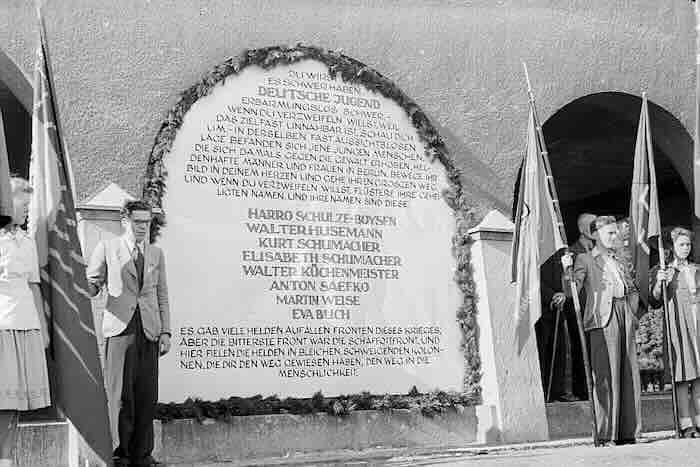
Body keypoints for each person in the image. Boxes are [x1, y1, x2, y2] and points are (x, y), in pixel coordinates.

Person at [86, 200, 171, 467]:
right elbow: (92, 283)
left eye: (147, 223)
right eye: (138, 222)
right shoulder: (108, 247)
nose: (143, 227)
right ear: (125, 221)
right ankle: (119, 454)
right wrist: (82, 284)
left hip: (149, 331)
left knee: (146, 395)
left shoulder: (156, 254)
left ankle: (142, 455)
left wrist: (166, 331)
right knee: (121, 397)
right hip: (120, 329)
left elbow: (162, 295)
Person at [562, 215, 641, 445]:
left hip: (624, 313)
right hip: (602, 319)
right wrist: (567, 271)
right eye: (610, 233)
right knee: (605, 376)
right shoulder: (585, 259)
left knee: (628, 373)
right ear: (595, 234)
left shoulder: (621, 259)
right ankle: (607, 432)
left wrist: (632, 314)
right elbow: (571, 290)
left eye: (615, 232)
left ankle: (629, 432)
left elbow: (632, 287)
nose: (614, 236)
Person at [0, 177, 51, 467]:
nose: (27, 212)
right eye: (23, 204)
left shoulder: (28, 242)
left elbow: (34, 286)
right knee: (2, 400)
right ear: (7, 202)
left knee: (17, 402)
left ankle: (6, 460)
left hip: (26, 325)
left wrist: (42, 328)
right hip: (2, 326)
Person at [650, 227, 700, 438]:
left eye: (688, 244)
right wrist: (661, 282)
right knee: (682, 375)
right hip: (678, 326)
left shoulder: (697, 269)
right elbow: (655, 299)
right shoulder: (664, 270)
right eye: (681, 244)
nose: (686, 248)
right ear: (672, 247)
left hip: (697, 323)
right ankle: (686, 424)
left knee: (698, 376)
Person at [561, 212, 597, 401]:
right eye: (593, 226)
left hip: (599, 309)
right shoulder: (572, 253)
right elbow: (569, 285)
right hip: (579, 309)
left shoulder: (601, 251)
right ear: (583, 229)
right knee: (580, 348)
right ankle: (583, 391)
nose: (596, 229)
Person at [538, 250, 570, 402]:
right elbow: (532, 279)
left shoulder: (559, 251)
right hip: (541, 309)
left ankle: (557, 391)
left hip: (559, 306)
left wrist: (563, 293)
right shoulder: (534, 247)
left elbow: (566, 278)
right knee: (543, 351)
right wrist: (551, 295)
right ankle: (544, 393)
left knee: (559, 350)